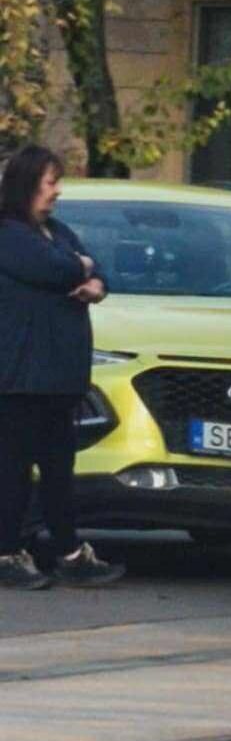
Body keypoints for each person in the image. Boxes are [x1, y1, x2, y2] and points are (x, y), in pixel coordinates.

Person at [0, 145, 125, 590]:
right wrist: (81, 270)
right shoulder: (10, 233)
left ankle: (69, 550)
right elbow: (54, 268)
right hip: (20, 378)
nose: (56, 192)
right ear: (27, 184)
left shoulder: (58, 230)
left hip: (59, 378)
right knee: (13, 470)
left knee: (58, 470)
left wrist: (93, 280)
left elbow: (96, 270)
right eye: (50, 182)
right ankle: (7, 552)